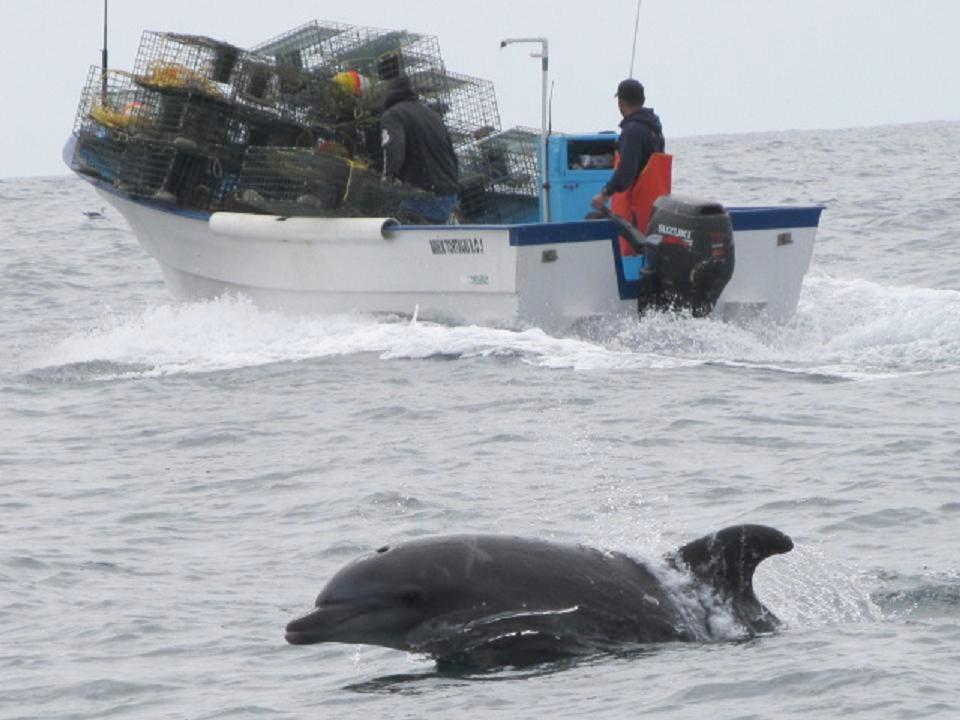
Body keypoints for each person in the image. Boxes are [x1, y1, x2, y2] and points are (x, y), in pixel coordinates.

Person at [380, 76, 460, 223]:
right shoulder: (433, 116)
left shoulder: (392, 115)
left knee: (400, 224)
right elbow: (453, 157)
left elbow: (393, 146)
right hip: (448, 195)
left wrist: (388, 176)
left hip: (424, 194)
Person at [590, 79, 665, 211]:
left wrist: (605, 194)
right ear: (643, 99)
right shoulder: (654, 127)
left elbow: (627, 170)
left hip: (637, 206)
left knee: (591, 219)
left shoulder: (632, 130)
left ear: (621, 102)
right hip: (656, 204)